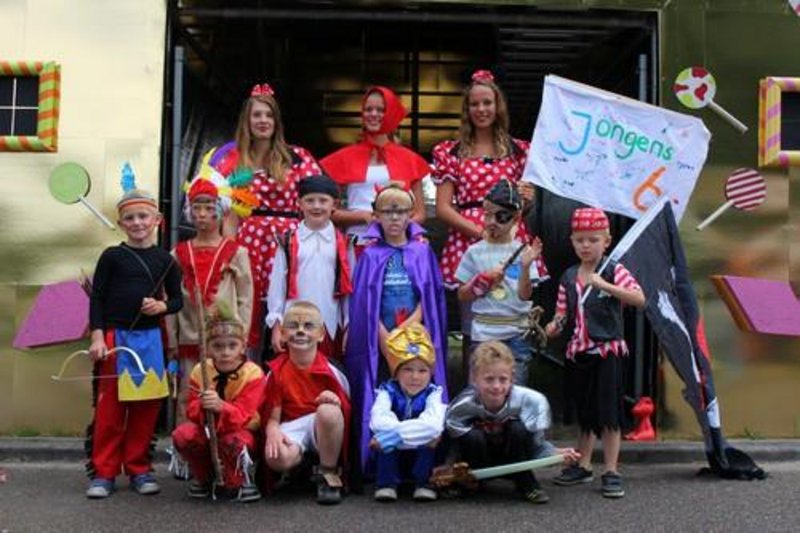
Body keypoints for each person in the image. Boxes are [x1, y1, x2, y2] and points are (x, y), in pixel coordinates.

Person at [431, 69, 536, 376]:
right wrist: (482, 233)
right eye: (474, 104)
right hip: (468, 242)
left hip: (510, 244)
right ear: (467, 109)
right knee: (473, 324)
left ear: (497, 105)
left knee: (514, 315)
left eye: (487, 102)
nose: (481, 109)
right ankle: (475, 388)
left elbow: (524, 209)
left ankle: (512, 386)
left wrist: (528, 199)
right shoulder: (452, 152)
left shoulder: (518, 151)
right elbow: (443, 208)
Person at [206, 82, 322, 353]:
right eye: (256, 115)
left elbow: (318, 200)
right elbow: (229, 215)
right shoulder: (233, 162)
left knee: (291, 310)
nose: (263, 120)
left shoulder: (297, 157)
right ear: (246, 121)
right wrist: (227, 253)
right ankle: (249, 372)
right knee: (249, 309)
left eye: (269, 115)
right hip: (249, 244)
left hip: (290, 242)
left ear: (276, 121)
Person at [85, 186, 183, 499]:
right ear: (121, 223)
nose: (137, 222)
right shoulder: (112, 256)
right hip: (115, 339)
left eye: (143, 216)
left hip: (150, 340)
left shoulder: (166, 260)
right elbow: (97, 297)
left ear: (158, 219)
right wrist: (97, 336)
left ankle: (139, 469)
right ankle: (104, 473)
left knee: (145, 409)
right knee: (110, 411)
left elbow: (178, 299)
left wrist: (162, 306)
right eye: (130, 218)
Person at [345, 184, 448, 478]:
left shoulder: (422, 251)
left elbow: (429, 296)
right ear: (376, 215)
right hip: (380, 338)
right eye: (387, 212)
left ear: (410, 215)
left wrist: (408, 327)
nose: (394, 218)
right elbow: (365, 303)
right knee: (384, 397)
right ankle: (382, 466)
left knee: (417, 392)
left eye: (400, 212)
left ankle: (419, 466)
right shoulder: (370, 255)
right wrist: (383, 335)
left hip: (415, 338)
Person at [544, 207, 645, 499]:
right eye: (580, 240)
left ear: (606, 241)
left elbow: (639, 299)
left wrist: (606, 286)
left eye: (593, 240)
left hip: (607, 350)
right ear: (572, 241)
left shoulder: (614, 270)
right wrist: (553, 326)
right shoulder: (569, 276)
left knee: (609, 413)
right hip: (579, 351)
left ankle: (611, 470)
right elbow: (562, 313)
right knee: (586, 413)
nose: (586, 246)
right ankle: (584, 464)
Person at [166, 177, 254, 427]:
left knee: (226, 392)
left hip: (226, 338)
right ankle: (185, 441)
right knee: (188, 393)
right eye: (197, 207)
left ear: (221, 209)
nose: (202, 214)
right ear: (189, 211)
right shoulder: (178, 254)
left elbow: (245, 298)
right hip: (189, 337)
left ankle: (224, 439)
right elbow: (170, 299)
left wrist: (242, 335)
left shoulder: (236, 253)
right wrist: (172, 339)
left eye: (208, 207)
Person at [443, 341, 579, 504]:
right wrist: (448, 466)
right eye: (489, 379)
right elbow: (454, 444)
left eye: (503, 379)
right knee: (473, 437)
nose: (496, 386)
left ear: (512, 378)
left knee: (518, 428)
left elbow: (536, 443)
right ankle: (470, 482)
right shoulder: (461, 406)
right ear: (474, 379)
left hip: (514, 456)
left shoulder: (531, 401)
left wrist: (554, 455)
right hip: (479, 457)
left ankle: (526, 483)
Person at [455, 179, 548, 386]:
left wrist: (526, 267)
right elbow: (461, 294)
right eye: (487, 214)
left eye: (500, 216)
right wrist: (481, 282)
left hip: (516, 333)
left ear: (516, 218)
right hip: (484, 332)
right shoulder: (474, 252)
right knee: (481, 388)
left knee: (515, 388)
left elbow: (525, 295)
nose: (491, 221)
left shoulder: (523, 251)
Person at [262, 301, 351, 505]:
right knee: (276, 457)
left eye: (308, 326)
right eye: (293, 325)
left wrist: (335, 401)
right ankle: (299, 468)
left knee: (329, 412)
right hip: (292, 426)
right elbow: (272, 418)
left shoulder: (334, 371)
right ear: (282, 333)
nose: (301, 331)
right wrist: (272, 432)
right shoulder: (276, 372)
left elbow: (347, 415)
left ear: (321, 334)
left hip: (320, 425)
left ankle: (328, 473)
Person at [171, 310, 264, 502]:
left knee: (234, 442)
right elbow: (191, 410)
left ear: (243, 347)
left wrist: (222, 407)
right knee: (184, 435)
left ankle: (240, 478)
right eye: (218, 346)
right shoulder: (200, 371)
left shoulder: (252, 373)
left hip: (241, 430)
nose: (225, 352)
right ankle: (204, 475)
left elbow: (247, 414)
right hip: (209, 430)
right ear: (207, 348)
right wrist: (202, 405)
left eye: (232, 345)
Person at [321, 86, 430, 251]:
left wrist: (394, 224)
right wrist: (363, 216)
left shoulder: (409, 159)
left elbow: (420, 214)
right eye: (368, 109)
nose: (373, 114)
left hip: (398, 246)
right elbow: (329, 211)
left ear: (391, 113)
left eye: (381, 110)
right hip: (357, 243)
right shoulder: (345, 157)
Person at [266, 174, 352, 361]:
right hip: (293, 323)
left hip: (330, 323)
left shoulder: (344, 243)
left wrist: (348, 325)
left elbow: (348, 289)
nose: (316, 206)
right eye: (310, 200)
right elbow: (277, 285)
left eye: (323, 200)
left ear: (334, 205)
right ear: (299, 203)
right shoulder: (287, 241)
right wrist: (276, 324)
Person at [369, 324, 446, 503]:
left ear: (430, 373)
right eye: (408, 369)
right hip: (394, 453)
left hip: (418, 453)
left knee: (433, 438)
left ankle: (424, 483)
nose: (415, 377)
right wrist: (413, 434)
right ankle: (387, 483)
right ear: (396, 373)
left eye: (422, 370)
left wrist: (393, 437)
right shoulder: (386, 392)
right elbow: (379, 421)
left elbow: (432, 425)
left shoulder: (433, 394)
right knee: (382, 434)